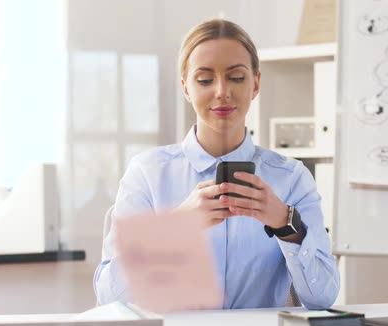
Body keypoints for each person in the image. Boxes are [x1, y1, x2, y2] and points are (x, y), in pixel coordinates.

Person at [94, 18, 340, 309]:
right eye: (205, 80)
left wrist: (285, 222)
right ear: (186, 87)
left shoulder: (291, 177)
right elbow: (109, 298)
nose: (222, 91)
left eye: (236, 77)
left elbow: (323, 297)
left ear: (256, 83)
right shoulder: (147, 173)